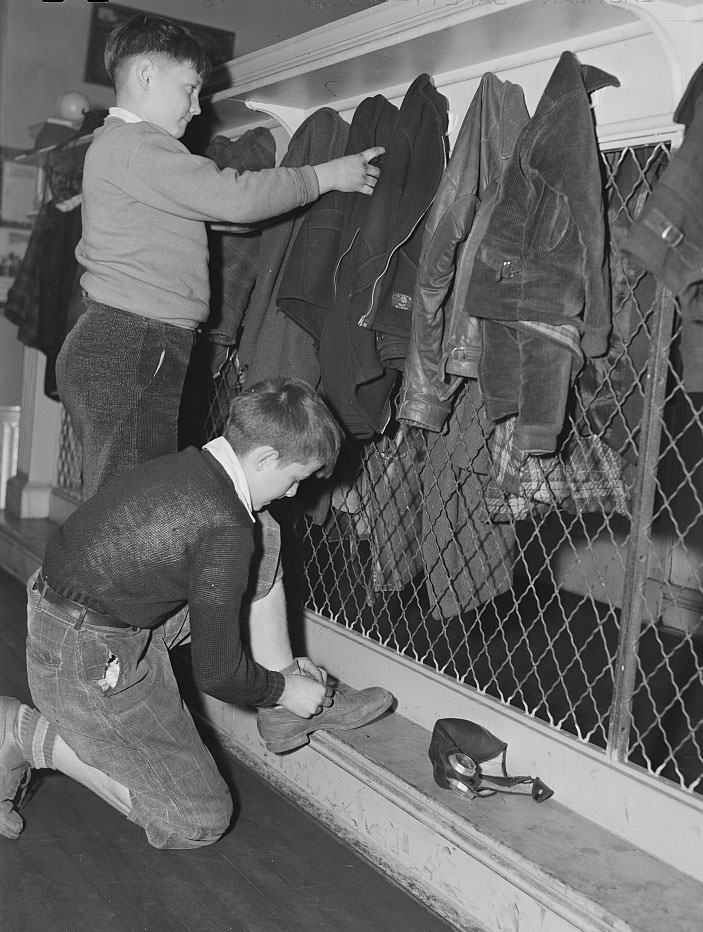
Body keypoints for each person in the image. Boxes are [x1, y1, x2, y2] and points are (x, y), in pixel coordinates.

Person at [0, 380, 393, 848]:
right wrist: (285, 688)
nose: (293, 493)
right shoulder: (224, 527)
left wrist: (279, 678)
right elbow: (218, 675)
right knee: (196, 821)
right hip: (84, 656)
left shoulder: (194, 466)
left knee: (264, 532)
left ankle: (281, 709)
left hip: (80, 614)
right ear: (265, 457)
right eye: (296, 478)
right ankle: (19, 733)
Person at [57, 13, 384, 498]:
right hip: (134, 341)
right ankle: (75, 578)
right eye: (188, 88)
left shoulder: (126, 150)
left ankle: (74, 576)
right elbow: (232, 199)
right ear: (146, 75)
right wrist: (324, 177)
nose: (195, 107)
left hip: (130, 339)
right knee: (128, 509)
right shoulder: (136, 145)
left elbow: (229, 216)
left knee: (122, 502)